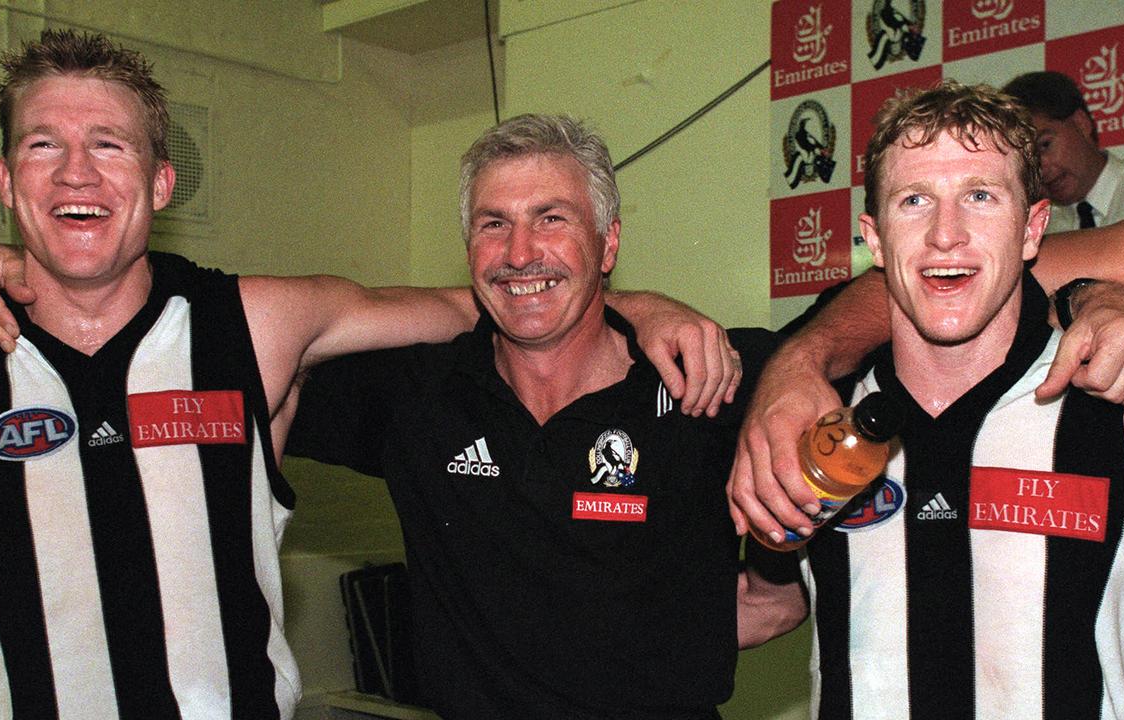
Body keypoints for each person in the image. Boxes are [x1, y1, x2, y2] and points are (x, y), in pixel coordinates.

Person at [0, 30, 738, 719]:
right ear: (5, 180)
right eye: (42, 146)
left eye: (109, 144)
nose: (76, 172)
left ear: (163, 181)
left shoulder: (253, 327)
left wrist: (644, 304)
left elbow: (497, 295)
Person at [284, 113, 782, 719]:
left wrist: (773, 578)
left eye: (552, 219)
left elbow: (855, 346)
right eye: (494, 224)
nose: (519, 253)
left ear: (609, 243)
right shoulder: (420, 392)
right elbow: (269, 345)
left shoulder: (705, 375)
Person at [741, 81, 1124, 718]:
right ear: (874, 240)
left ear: (1032, 228)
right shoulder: (810, 420)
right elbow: (758, 605)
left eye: (980, 197)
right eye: (914, 201)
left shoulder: (1123, 406)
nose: (946, 235)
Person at [1003, 71, 1124, 234]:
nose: (1041, 168)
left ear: (1081, 124)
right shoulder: (1037, 229)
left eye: (1045, 145)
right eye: (1027, 160)